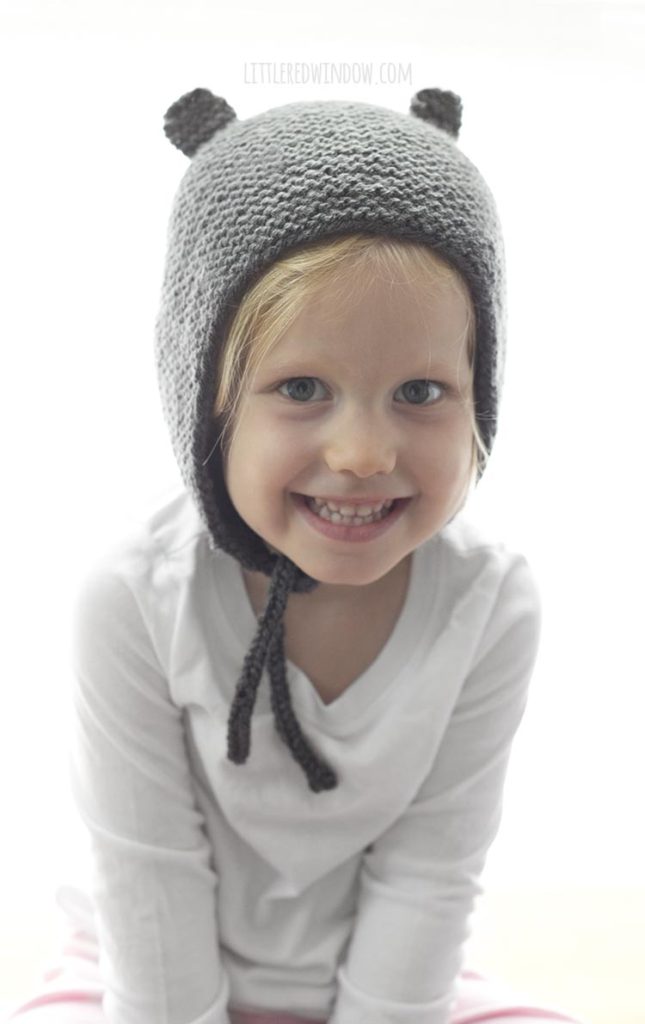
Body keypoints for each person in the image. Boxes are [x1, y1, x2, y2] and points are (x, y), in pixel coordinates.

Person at [5, 88, 585, 1024]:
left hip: (380, 982)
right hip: (145, 974)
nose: (363, 452)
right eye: (302, 387)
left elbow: (431, 874)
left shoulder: (490, 599)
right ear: (208, 404)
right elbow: (146, 876)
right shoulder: (130, 593)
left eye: (421, 389)